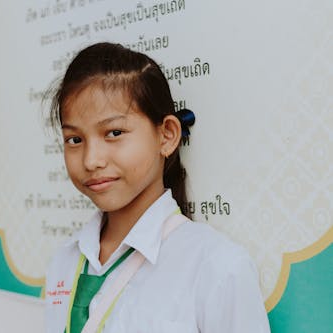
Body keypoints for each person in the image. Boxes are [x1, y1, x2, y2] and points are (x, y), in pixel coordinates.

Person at [45, 42, 270, 333]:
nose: (91, 160)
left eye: (114, 133)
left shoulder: (217, 267)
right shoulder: (65, 259)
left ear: (166, 135)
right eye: (74, 140)